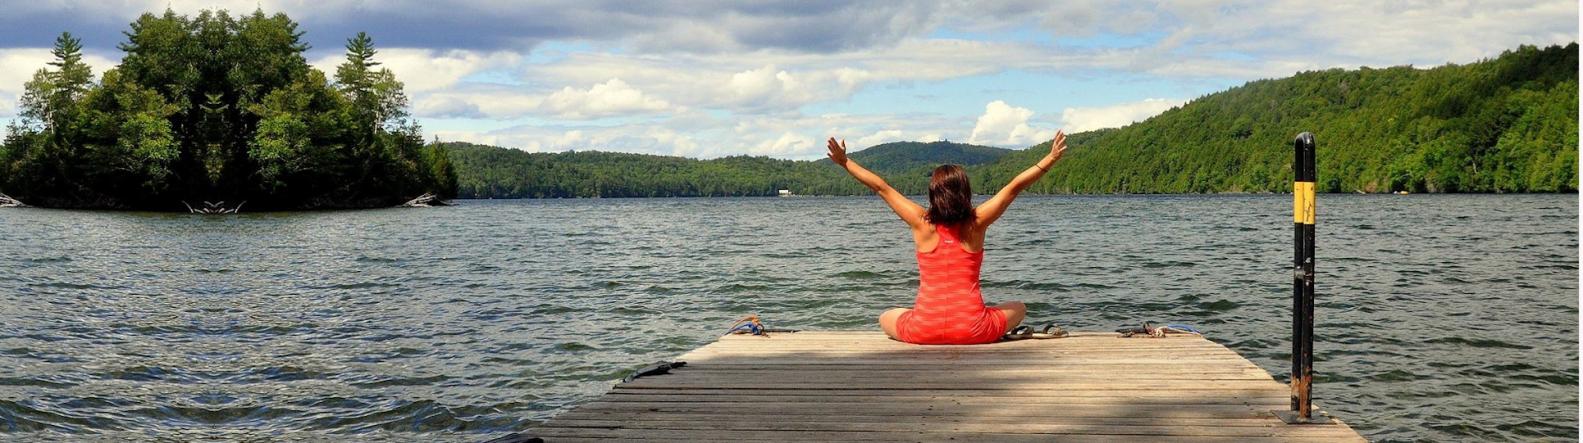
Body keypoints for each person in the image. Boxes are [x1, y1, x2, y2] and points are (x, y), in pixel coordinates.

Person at [825, 131, 1069, 344]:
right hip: (974, 331)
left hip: (923, 331)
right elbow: (1014, 187)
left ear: (933, 194)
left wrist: (844, 162)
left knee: (886, 316)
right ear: (965, 192)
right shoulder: (977, 222)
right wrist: (1051, 158)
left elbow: (881, 187)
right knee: (1019, 307)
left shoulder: (921, 223)